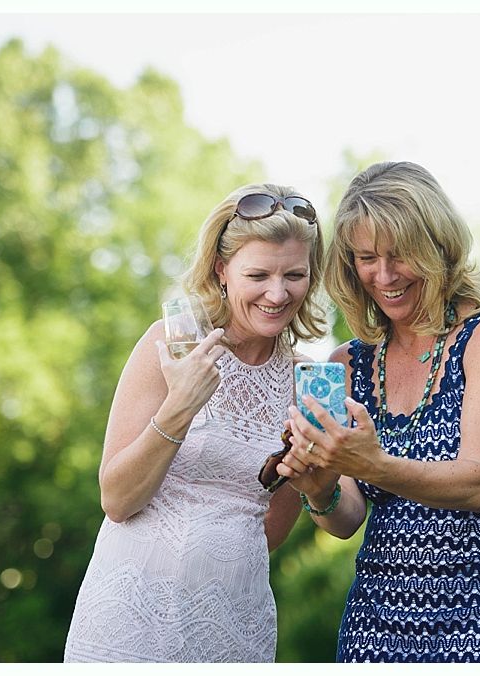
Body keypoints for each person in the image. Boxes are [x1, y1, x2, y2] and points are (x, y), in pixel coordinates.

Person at [274, 161, 480, 662]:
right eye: (366, 257)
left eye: (399, 255)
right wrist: (316, 487)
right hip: (378, 625)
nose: (383, 276)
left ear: (438, 247)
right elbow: (347, 519)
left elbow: (476, 484)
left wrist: (373, 465)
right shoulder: (349, 362)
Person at [63, 184, 327, 662]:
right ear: (221, 270)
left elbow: (272, 530)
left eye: (294, 274)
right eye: (258, 274)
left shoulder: (306, 381)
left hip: (234, 623)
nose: (277, 292)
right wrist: (181, 405)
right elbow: (117, 500)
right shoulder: (170, 344)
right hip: (129, 619)